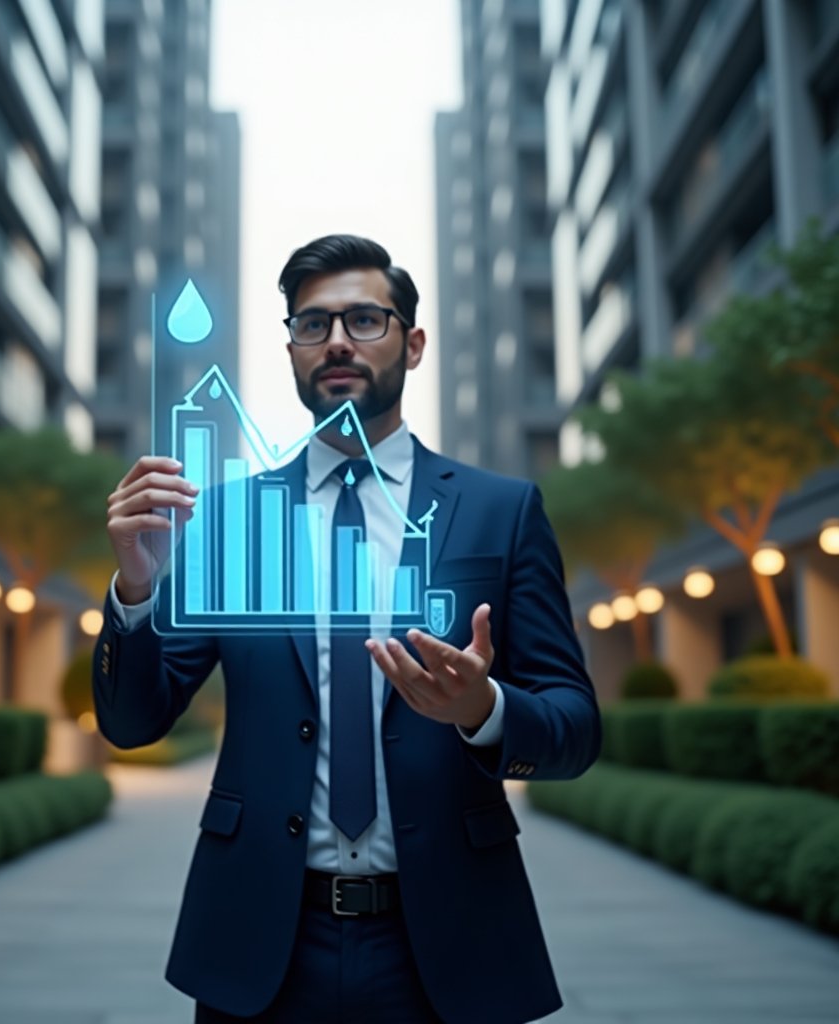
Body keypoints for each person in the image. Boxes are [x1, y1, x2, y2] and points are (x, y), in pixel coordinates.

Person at [94, 234, 601, 1023]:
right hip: (263, 942)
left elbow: (575, 730)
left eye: (366, 319)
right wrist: (134, 584)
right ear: (291, 349)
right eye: (312, 324)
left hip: (447, 946)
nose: (336, 340)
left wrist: (482, 710)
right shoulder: (230, 522)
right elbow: (132, 722)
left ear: (414, 341)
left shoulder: (502, 513)